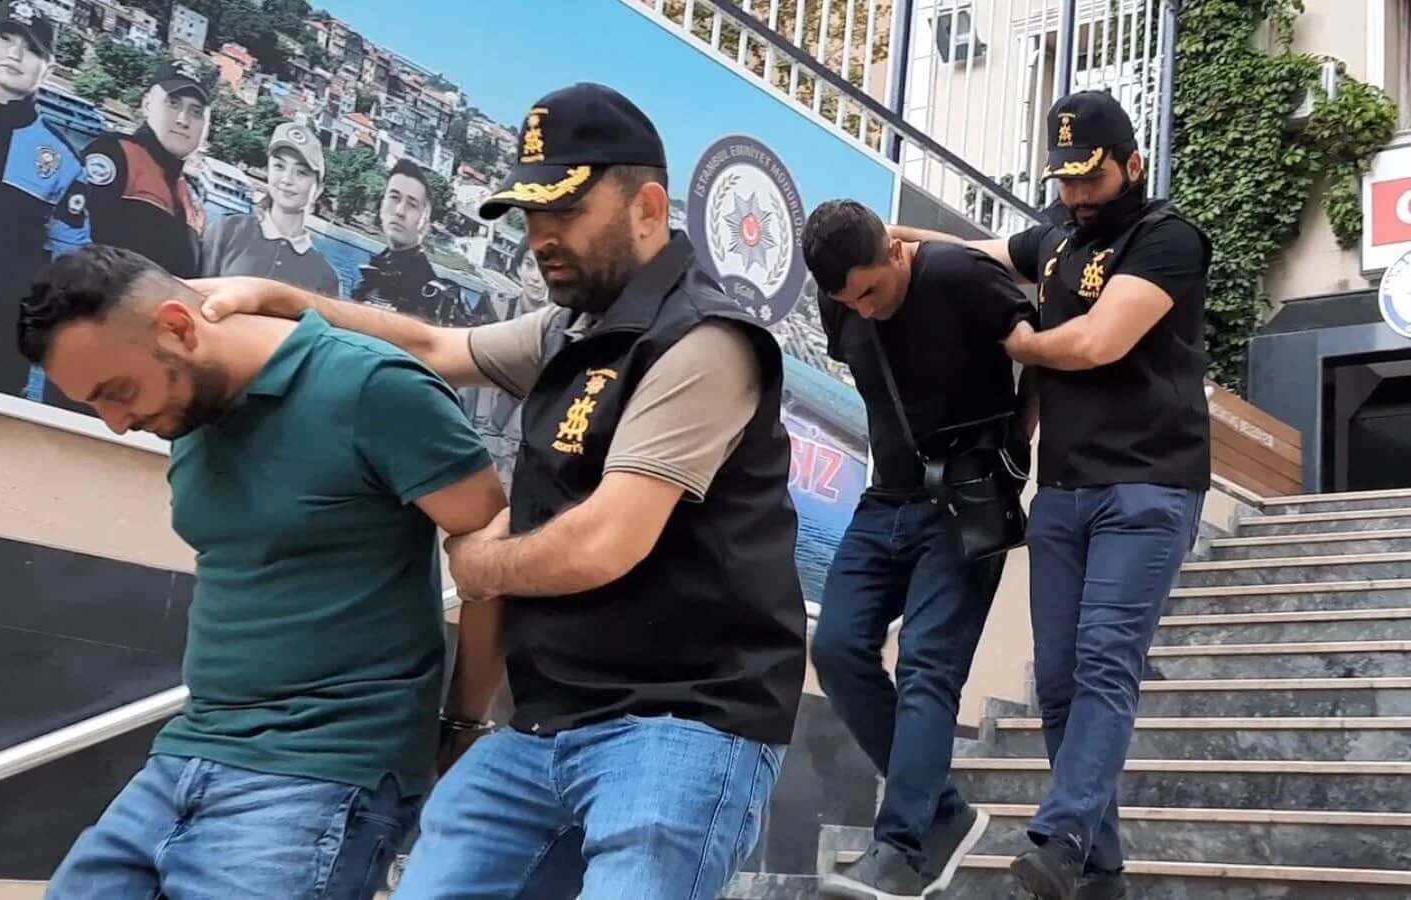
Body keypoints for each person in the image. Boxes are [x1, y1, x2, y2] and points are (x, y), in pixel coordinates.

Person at [194, 81, 806, 900]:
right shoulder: (571, 331)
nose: (540, 237)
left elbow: (604, 542)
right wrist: (282, 301)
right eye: (529, 214)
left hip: (682, 724)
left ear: (648, 207)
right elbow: (432, 347)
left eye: (565, 211)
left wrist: (479, 566)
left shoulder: (704, 341)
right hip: (546, 724)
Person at [20, 244, 506, 900]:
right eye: (94, 405)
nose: (117, 424)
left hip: (324, 767)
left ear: (178, 327)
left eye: (118, 392)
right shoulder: (186, 410)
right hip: (188, 750)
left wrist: (466, 723)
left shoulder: (373, 387)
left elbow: (493, 558)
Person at [891, 89, 1212, 900]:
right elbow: (976, 251)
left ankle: (1063, 834)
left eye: (1089, 177)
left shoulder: (1167, 238)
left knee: (1105, 660)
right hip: (1064, 489)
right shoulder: (1056, 238)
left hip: (1146, 485)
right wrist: (896, 240)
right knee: (1059, 679)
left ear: (1132, 165)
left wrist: (1019, 341)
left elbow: (1099, 340)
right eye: (1063, 179)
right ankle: (1100, 870)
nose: (1074, 194)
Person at [802, 200, 1035, 900]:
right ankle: (943, 814)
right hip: (888, 499)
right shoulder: (842, 303)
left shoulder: (957, 275)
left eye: (871, 292)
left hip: (966, 501)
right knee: (836, 649)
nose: (864, 310)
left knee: (928, 663)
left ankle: (901, 851)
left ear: (895, 252)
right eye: (849, 301)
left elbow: (1042, 350)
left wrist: (1015, 448)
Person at [0, 0, 91, 400]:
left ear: (48, 67)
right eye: (6, 38)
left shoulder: (64, 162)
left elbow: (70, 263)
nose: (15, 54)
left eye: (31, 48)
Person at [82, 59, 212, 278]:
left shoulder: (192, 199)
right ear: (147, 104)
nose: (183, 120)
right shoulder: (116, 155)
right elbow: (70, 240)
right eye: (173, 103)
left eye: (196, 112)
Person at [200, 120, 341, 296]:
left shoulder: (326, 277)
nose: (287, 179)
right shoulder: (227, 231)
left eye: (301, 172)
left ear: (318, 189)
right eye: (279, 166)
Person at [460, 236, 551, 486]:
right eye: (530, 264)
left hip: (517, 453)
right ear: (518, 267)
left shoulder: (562, 330)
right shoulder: (493, 308)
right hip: (471, 435)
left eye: (545, 267)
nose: (536, 277)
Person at [353, 159, 443, 321]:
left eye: (412, 204)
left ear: (425, 220)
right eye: (394, 197)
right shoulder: (371, 271)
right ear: (382, 205)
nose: (400, 211)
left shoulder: (427, 292)